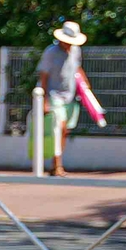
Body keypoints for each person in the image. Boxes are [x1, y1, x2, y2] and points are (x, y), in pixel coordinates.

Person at [33, 21, 85, 176]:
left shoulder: (76, 51)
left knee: (64, 131)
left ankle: (54, 163)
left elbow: (77, 68)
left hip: (70, 96)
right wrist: (44, 100)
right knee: (59, 128)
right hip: (54, 95)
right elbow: (43, 75)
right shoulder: (51, 52)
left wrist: (85, 85)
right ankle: (58, 166)